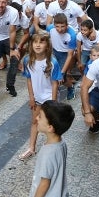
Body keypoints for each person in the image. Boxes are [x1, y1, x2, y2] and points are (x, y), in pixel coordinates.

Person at [19, 33, 62, 161]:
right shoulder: (27, 60)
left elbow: (55, 83)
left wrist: (53, 102)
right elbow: (29, 80)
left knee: (51, 125)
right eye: (35, 42)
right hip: (37, 98)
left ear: (47, 45)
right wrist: (31, 97)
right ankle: (31, 148)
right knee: (35, 122)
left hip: (49, 97)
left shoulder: (52, 62)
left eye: (41, 42)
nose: (38, 45)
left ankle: (54, 147)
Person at [46, 13, 77, 100]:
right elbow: (47, 40)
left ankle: (70, 87)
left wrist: (62, 72)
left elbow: (70, 55)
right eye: (57, 26)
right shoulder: (50, 28)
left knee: (62, 78)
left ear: (67, 25)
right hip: (54, 52)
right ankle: (54, 89)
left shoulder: (72, 35)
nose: (59, 29)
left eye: (62, 26)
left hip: (65, 55)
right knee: (51, 74)